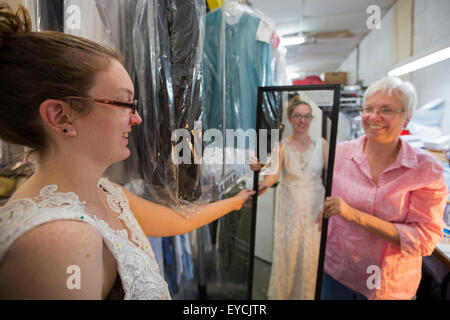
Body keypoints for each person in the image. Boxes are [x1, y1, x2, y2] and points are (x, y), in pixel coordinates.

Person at [0, 3, 254, 300]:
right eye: (123, 103)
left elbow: (180, 221)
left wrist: (235, 202)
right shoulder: (62, 240)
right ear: (61, 116)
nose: (137, 119)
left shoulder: (105, 193)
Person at [322, 76, 449, 300]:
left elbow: (425, 239)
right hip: (338, 273)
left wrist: (353, 215)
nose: (374, 116)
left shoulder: (426, 170)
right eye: (368, 108)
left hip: (387, 284)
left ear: (406, 118)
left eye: (386, 109)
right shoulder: (340, 154)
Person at [251, 96, 329, 299]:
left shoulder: (322, 145)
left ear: (311, 119)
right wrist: (263, 185)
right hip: (289, 206)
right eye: (297, 116)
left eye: (306, 116)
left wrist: (329, 205)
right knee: (289, 252)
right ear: (290, 118)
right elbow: (273, 174)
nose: (302, 120)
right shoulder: (282, 146)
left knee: (310, 254)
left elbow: (334, 178)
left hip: (315, 205)